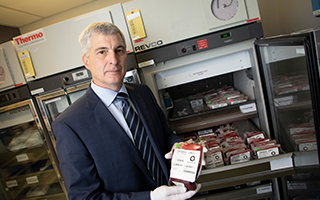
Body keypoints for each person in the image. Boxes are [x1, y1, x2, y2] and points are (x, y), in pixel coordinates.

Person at [52, 22, 201, 200]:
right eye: (102, 52)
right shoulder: (69, 124)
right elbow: (85, 198)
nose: (113, 60)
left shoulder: (142, 93)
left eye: (119, 50)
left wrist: (183, 150)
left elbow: (166, 136)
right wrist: (150, 198)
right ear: (86, 61)